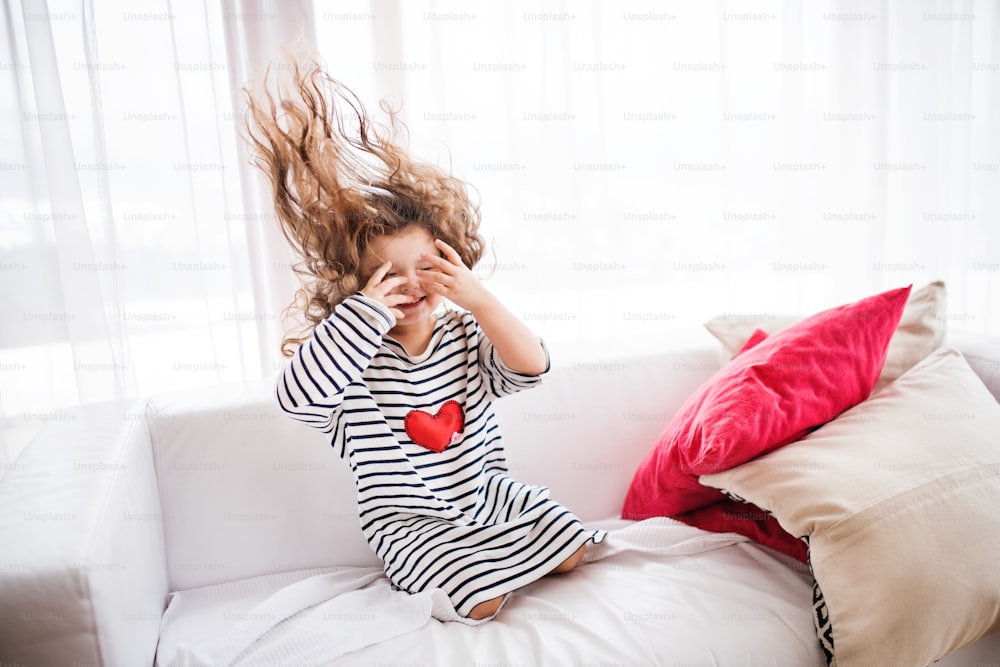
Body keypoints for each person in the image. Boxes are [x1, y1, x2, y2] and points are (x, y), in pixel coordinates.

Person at [244, 60, 605, 620]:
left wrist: (480, 300)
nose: (412, 285)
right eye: (390, 276)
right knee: (479, 602)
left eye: (427, 265)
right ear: (356, 286)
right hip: (409, 524)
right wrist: (365, 315)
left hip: (490, 497)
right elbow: (297, 399)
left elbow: (533, 367)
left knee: (575, 548)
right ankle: (469, 574)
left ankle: (500, 556)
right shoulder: (348, 358)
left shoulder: (464, 331)